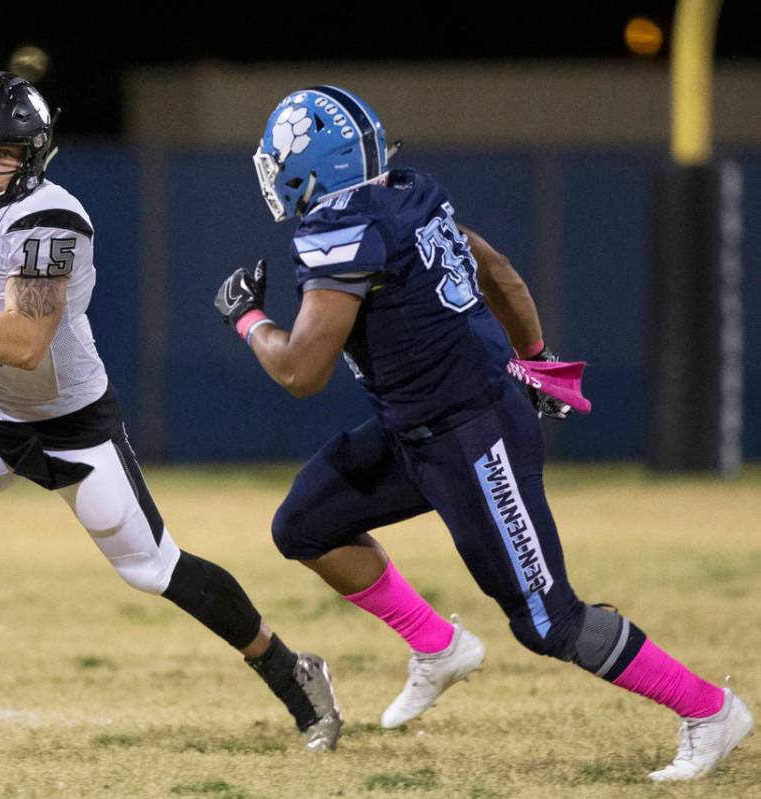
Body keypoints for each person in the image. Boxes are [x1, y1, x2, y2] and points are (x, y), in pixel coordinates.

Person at [214, 85, 753, 780]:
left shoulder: (340, 230)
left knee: (549, 620)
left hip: (472, 435)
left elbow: (302, 370)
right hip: (420, 425)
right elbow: (500, 273)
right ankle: (438, 645)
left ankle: (710, 710)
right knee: (306, 525)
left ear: (312, 166)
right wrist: (536, 358)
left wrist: (247, 318)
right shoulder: (409, 193)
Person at [0, 71, 342, 751]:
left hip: (70, 426)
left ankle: (294, 673)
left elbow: (25, 342)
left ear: (37, 154)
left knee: (155, 567)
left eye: (4, 154)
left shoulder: (51, 220)